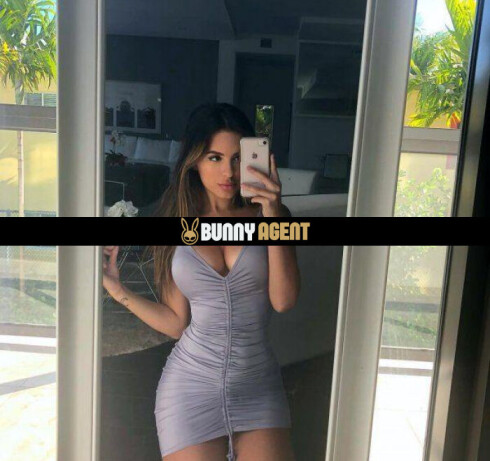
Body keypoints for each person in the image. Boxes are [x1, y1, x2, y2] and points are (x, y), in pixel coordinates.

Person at [103, 102, 300, 461]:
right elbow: (177, 322)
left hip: (258, 386)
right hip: (189, 387)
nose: (229, 171)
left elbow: (283, 300)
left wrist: (273, 213)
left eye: (237, 158)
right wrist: (118, 291)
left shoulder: (271, 217)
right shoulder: (176, 222)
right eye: (215, 158)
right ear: (194, 161)